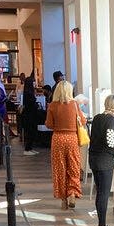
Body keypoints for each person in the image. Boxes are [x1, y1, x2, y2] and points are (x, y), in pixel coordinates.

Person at [44, 80, 86, 210]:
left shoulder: (52, 105)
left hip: (58, 139)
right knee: (73, 166)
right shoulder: (74, 105)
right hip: (72, 138)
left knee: (59, 168)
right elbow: (83, 121)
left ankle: (63, 199)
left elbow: (49, 124)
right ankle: (72, 193)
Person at [88, 94, 114, 226]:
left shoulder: (97, 118)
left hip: (93, 159)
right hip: (104, 161)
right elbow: (111, 142)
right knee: (104, 194)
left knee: (100, 193)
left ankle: (101, 224)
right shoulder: (111, 120)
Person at [19, 76, 40, 156]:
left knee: (31, 132)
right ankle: (27, 149)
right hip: (30, 116)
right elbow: (31, 104)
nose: (35, 83)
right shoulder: (29, 93)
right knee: (30, 132)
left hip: (30, 115)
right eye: (33, 82)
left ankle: (30, 148)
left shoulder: (28, 92)